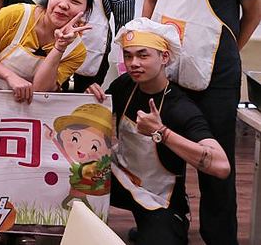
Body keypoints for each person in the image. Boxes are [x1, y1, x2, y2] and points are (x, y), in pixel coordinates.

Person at [141, 0, 261, 245]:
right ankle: (168, 226)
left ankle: (220, 236)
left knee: (216, 156)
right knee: (165, 154)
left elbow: (253, 12)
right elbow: (152, 0)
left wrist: (226, 51)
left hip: (217, 75)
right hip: (167, 69)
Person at [87, 18, 231, 245]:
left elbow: (222, 167)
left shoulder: (180, 108)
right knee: (75, 174)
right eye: (128, 55)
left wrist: (162, 132)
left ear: (164, 57)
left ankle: (164, 225)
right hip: (120, 178)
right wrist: (90, 97)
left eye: (143, 55)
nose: (133, 63)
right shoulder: (125, 85)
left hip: (160, 198)